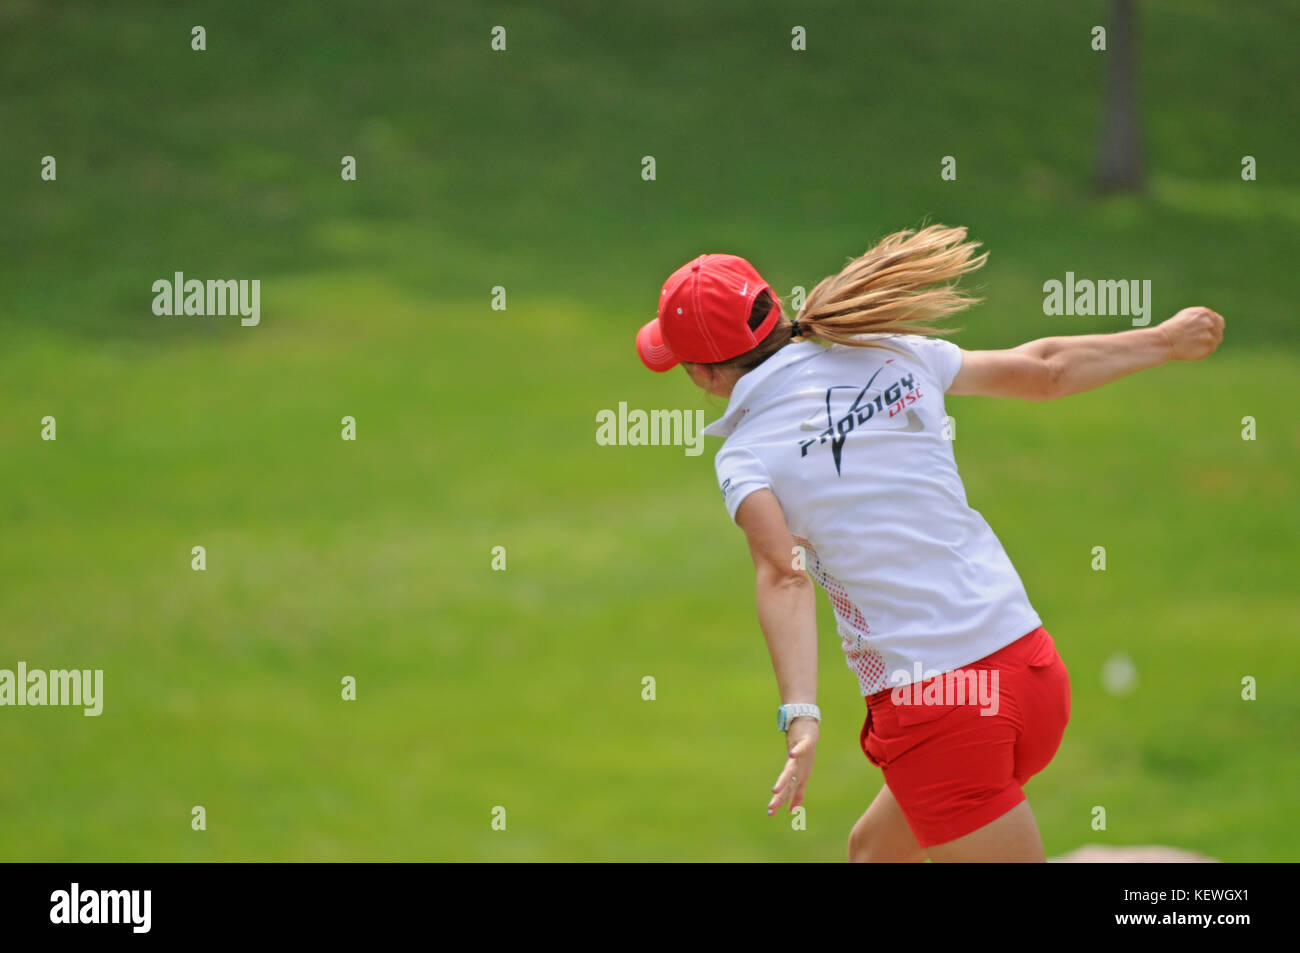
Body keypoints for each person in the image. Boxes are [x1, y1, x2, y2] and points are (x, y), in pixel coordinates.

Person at [635, 225, 1224, 862]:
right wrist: (1165, 340)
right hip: (1031, 672)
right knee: (873, 854)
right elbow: (1045, 371)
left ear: (704, 373)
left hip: (941, 710)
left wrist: (800, 714)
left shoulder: (747, 456)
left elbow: (785, 575)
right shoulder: (890, 350)